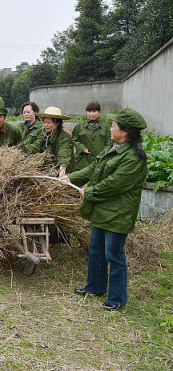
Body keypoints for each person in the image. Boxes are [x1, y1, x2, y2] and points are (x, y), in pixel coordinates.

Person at [60, 108, 148, 311]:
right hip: (102, 209)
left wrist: (89, 192)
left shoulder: (134, 158)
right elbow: (93, 169)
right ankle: (96, 286)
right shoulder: (114, 147)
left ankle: (117, 298)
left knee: (113, 254)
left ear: (125, 132)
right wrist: (70, 178)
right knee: (96, 250)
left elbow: (115, 184)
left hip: (118, 213)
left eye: (114, 125)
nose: (110, 128)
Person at [29, 106, 74, 177]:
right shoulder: (44, 134)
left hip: (62, 173)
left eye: (48, 123)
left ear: (57, 123)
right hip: (47, 171)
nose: (45, 125)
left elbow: (64, 154)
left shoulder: (65, 137)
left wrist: (62, 170)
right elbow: (36, 147)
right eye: (44, 122)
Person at [72, 102, 112, 171]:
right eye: (89, 111)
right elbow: (73, 139)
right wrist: (81, 147)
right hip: (82, 162)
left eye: (94, 111)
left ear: (99, 112)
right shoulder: (80, 126)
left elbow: (110, 143)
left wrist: (103, 154)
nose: (91, 114)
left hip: (99, 162)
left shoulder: (106, 127)